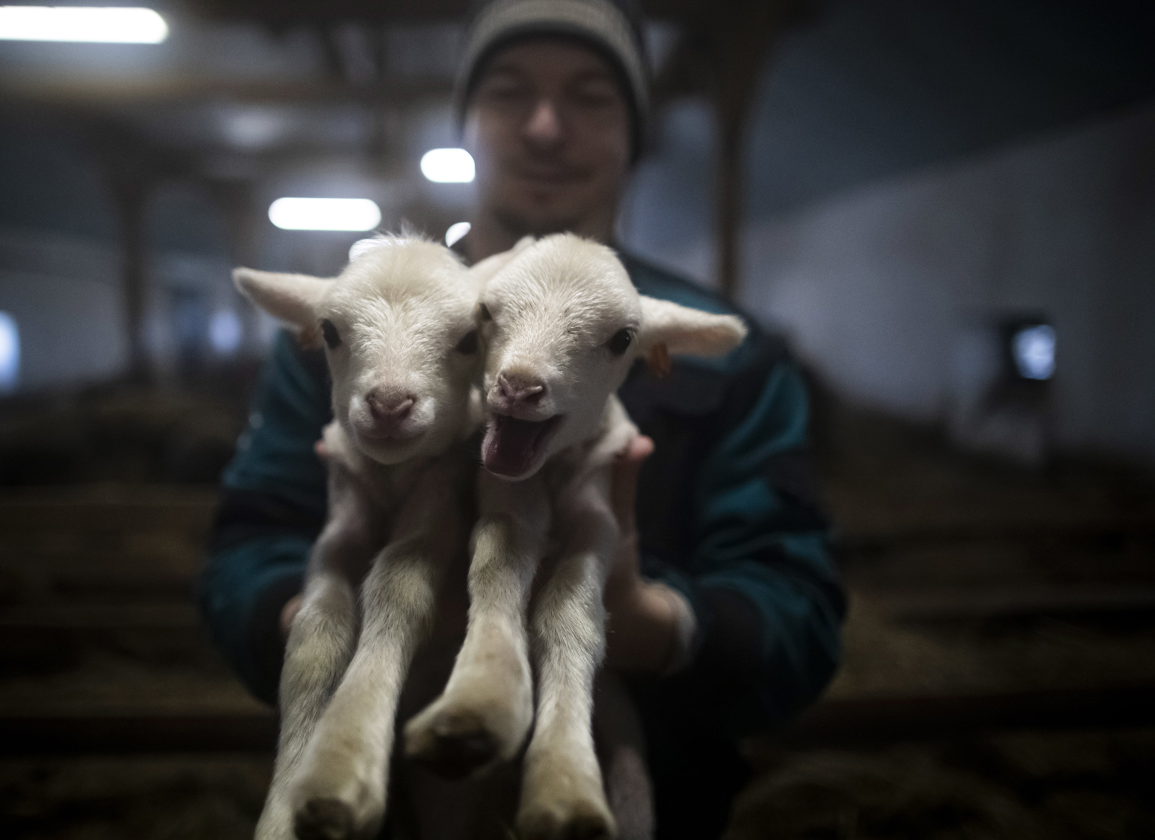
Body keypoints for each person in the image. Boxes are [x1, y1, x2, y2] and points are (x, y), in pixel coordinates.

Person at [199, 0, 846, 837]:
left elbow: (800, 606)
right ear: (466, 120)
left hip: (645, 788)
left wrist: (649, 619)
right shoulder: (352, 327)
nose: (546, 126)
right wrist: (330, 615)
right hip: (373, 804)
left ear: (635, 133)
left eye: (590, 96)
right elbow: (246, 547)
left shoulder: (736, 360)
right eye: (509, 92)